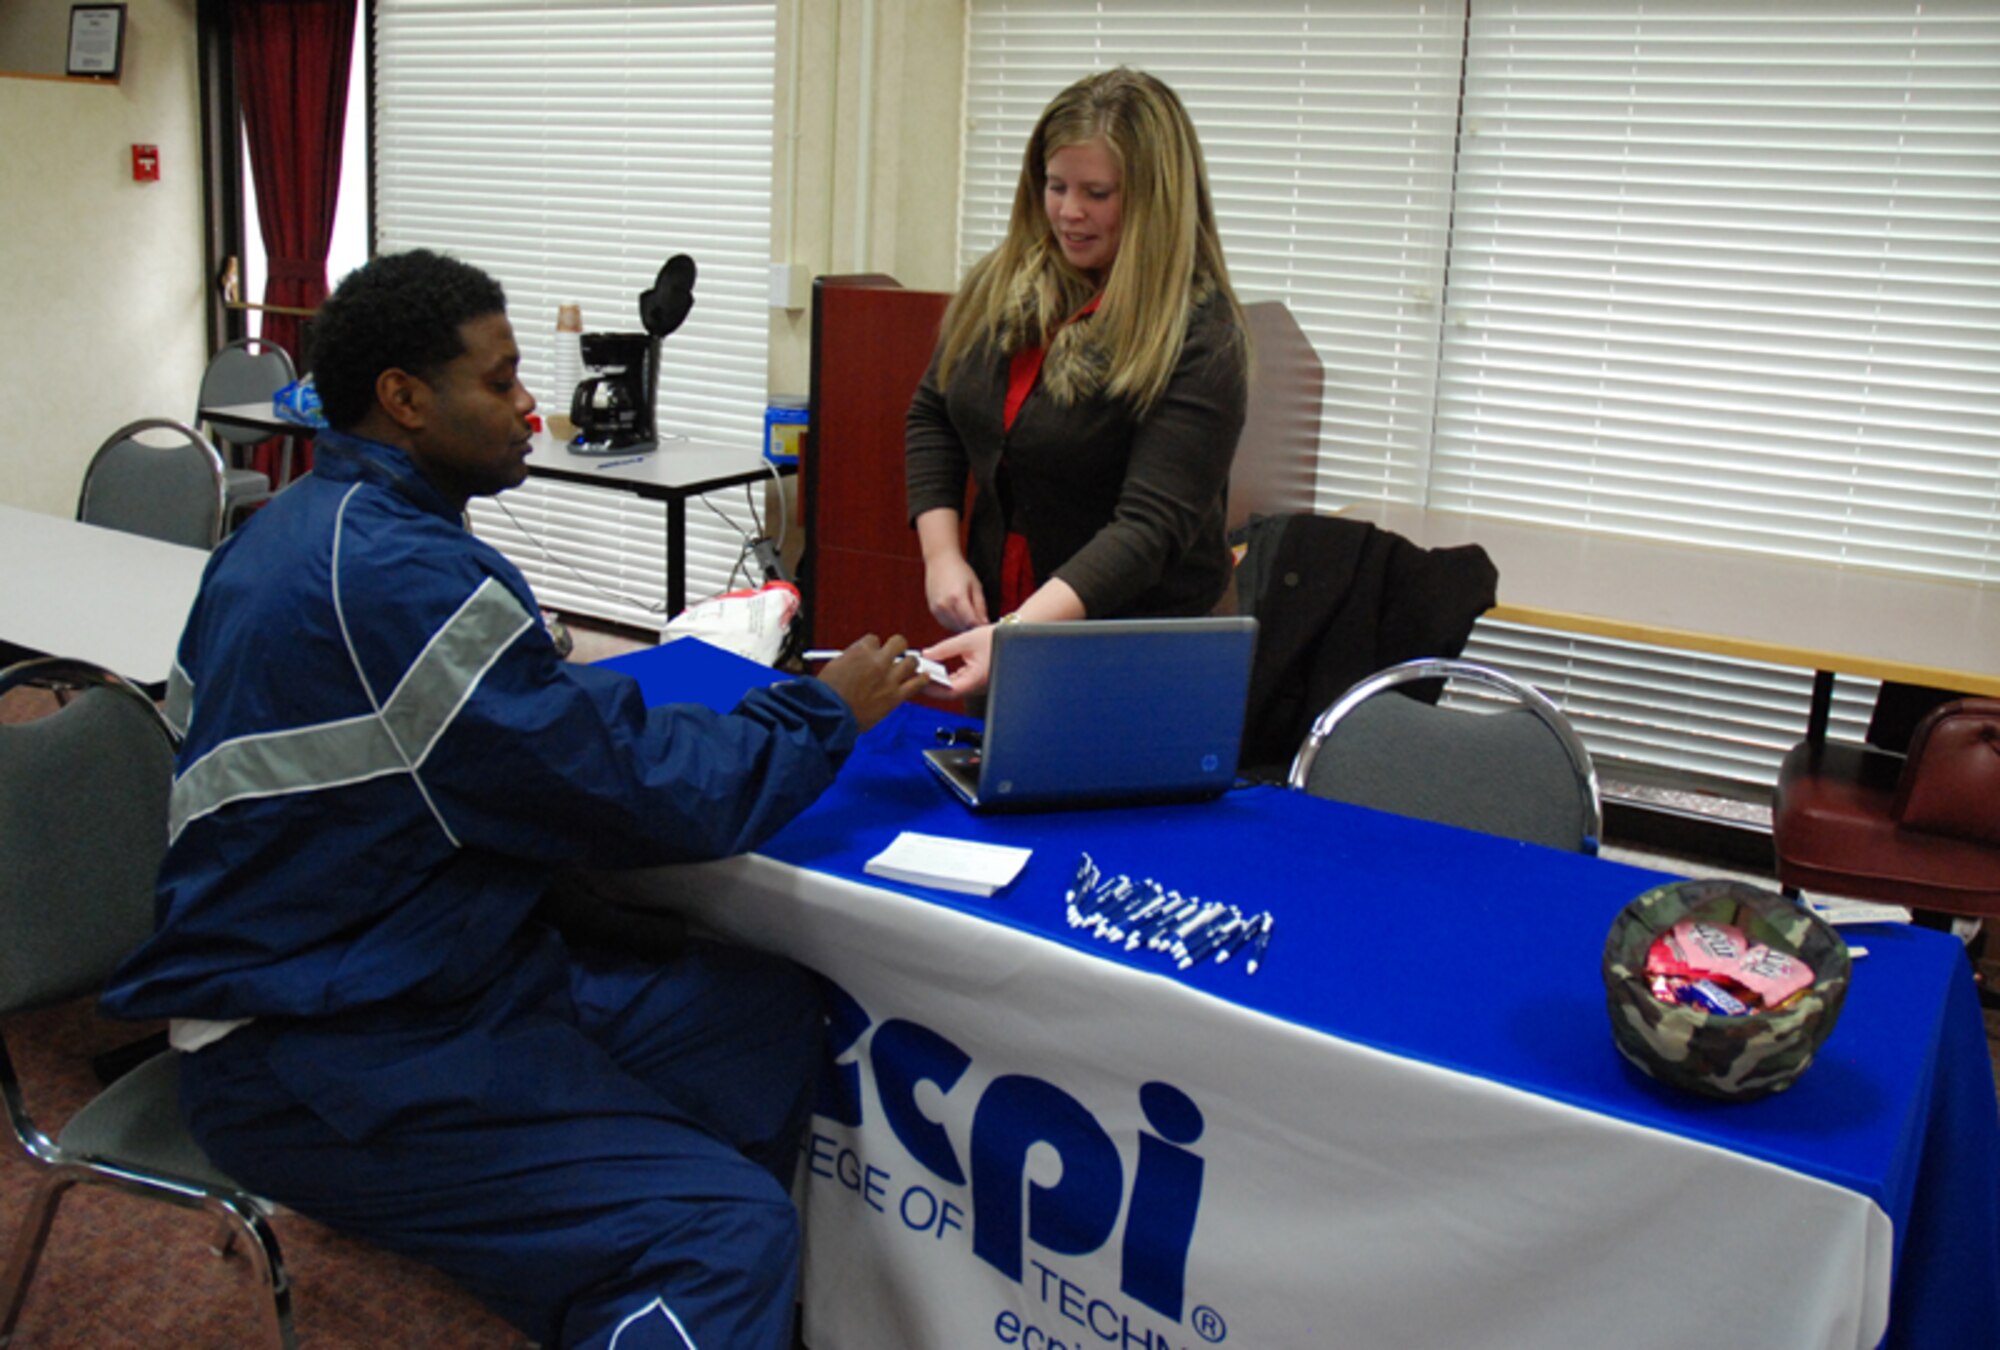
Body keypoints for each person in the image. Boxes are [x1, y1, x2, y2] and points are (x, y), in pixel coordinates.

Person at [100, 248, 929, 1350]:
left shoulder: (297, 530)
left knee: (753, 1019)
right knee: (721, 1236)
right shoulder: (396, 578)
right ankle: (669, 1268)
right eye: (497, 382)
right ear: (404, 399)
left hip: (406, 964)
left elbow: (527, 735)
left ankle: (619, 1286)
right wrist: (825, 712)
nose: (530, 404)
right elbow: (635, 791)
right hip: (316, 1042)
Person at [906, 67, 1250, 696]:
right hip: (1008, 623)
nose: (1069, 212)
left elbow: (1147, 528)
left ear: (1155, 199)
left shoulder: (1201, 333)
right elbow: (935, 410)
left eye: (1097, 193)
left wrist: (1017, 634)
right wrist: (942, 555)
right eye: (1055, 185)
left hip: (1135, 648)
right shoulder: (1002, 282)